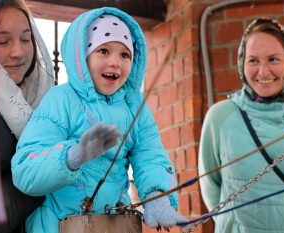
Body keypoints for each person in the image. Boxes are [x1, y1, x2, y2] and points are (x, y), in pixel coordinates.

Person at [11, 7, 188, 233]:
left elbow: (150, 155)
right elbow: (25, 170)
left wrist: (157, 196)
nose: (115, 62)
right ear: (83, 57)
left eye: (125, 55)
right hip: (56, 225)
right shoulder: (61, 99)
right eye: (103, 51)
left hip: (113, 224)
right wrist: (74, 156)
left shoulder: (135, 106)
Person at [198, 17, 284, 233]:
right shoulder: (220, 117)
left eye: (274, 59)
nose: (263, 72)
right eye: (253, 61)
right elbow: (211, 186)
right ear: (242, 63)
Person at [0, 0, 54, 232]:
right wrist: (41, 175)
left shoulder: (46, 103)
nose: (18, 51)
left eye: (25, 38)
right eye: (2, 41)